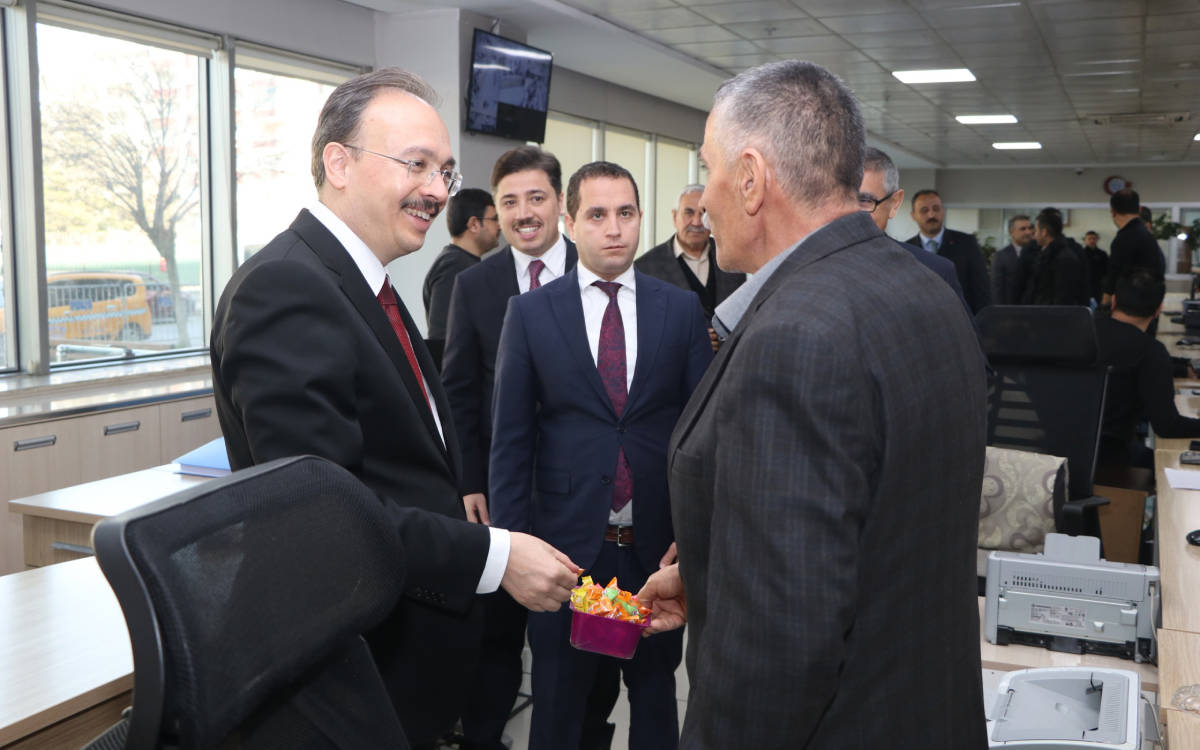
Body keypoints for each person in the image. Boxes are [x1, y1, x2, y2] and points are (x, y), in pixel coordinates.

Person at [209, 68, 579, 750]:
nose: (437, 190)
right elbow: (323, 515)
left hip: (398, 664)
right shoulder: (288, 287)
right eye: (417, 165)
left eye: (444, 170)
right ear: (338, 162)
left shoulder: (363, 281)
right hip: (344, 673)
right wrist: (496, 557)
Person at [637, 60, 987, 749]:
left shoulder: (796, 337)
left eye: (708, 170)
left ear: (750, 177)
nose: (702, 199)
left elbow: (782, 649)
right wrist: (713, 571)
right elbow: (873, 519)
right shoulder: (923, 290)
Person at [490, 161, 712, 750]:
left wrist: (691, 539)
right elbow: (511, 440)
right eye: (596, 214)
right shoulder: (533, 313)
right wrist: (516, 548)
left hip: (654, 557)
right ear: (570, 221)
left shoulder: (680, 310)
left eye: (626, 213)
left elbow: (701, 436)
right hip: (564, 555)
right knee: (559, 709)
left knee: (657, 702)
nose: (613, 228)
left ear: (641, 219)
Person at [439, 146, 587, 750]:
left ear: (560, 204)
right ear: (494, 213)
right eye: (509, 203)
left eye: (536, 198)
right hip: (501, 498)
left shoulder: (598, 270)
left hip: (582, 493)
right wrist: (470, 481)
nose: (524, 213)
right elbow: (460, 393)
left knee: (578, 644)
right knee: (498, 641)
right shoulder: (475, 286)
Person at [1096, 269, 1200, 468]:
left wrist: (1180, 367)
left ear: (1114, 301)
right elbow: (1167, 426)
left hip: (1057, 451)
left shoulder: (1082, 328)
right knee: (1169, 462)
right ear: (1158, 309)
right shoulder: (1150, 352)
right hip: (1110, 459)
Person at [634, 184, 745, 347]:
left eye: (704, 213)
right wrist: (689, 340)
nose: (697, 222)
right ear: (674, 216)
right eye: (689, 212)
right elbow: (640, 330)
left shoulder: (734, 257)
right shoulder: (646, 268)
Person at [858, 146, 965, 303]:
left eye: (865, 201)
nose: (850, 214)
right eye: (840, 201)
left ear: (894, 204)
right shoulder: (812, 267)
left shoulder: (934, 271)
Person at [422, 188, 500, 367]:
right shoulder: (454, 266)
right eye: (494, 219)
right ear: (474, 224)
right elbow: (443, 339)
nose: (500, 226)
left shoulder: (462, 263)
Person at [907, 188, 992, 313]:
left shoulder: (967, 243)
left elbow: (981, 288)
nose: (931, 215)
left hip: (960, 320)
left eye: (936, 209)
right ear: (913, 215)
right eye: (924, 210)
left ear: (943, 211)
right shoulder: (906, 249)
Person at [1104, 188, 1165, 304]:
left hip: (1130, 308)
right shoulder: (1149, 237)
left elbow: (1113, 277)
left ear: (1112, 211)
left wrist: (1104, 305)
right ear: (1139, 209)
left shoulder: (1122, 239)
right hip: (1149, 304)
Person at [1023, 208, 1090, 306]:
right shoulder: (1045, 253)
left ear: (1044, 232)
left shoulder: (1064, 257)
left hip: (1052, 316)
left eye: (1036, 231)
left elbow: (1063, 297)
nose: (1034, 235)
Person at [993, 214, 1034, 305]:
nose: (1028, 232)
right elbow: (997, 289)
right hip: (1011, 311)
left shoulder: (1039, 254)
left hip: (1035, 311)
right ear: (1011, 232)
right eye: (1023, 229)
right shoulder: (1001, 256)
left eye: (1030, 228)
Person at [1082, 230, 1109, 304]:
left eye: (1094, 238)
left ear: (1097, 239)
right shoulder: (1081, 253)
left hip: (1099, 284)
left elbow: (1107, 269)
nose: (1092, 241)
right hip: (1086, 284)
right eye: (1089, 238)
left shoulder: (1102, 254)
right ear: (1085, 240)